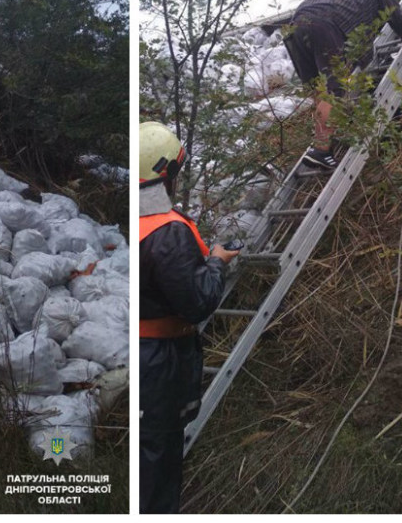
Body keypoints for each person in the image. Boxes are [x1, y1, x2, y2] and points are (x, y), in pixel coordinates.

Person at [139, 121, 239, 514]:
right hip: (160, 361)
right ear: (168, 175)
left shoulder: (142, 221)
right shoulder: (167, 231)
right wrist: (216, 262)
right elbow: (198, 302)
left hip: (147, 356)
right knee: (158, 459)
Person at [282, 0, 402, 170]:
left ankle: (323, 140)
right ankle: (320, 150)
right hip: (324, 24)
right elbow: (394, 14)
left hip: (295, 26)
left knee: (319, 91)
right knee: (333, 91)